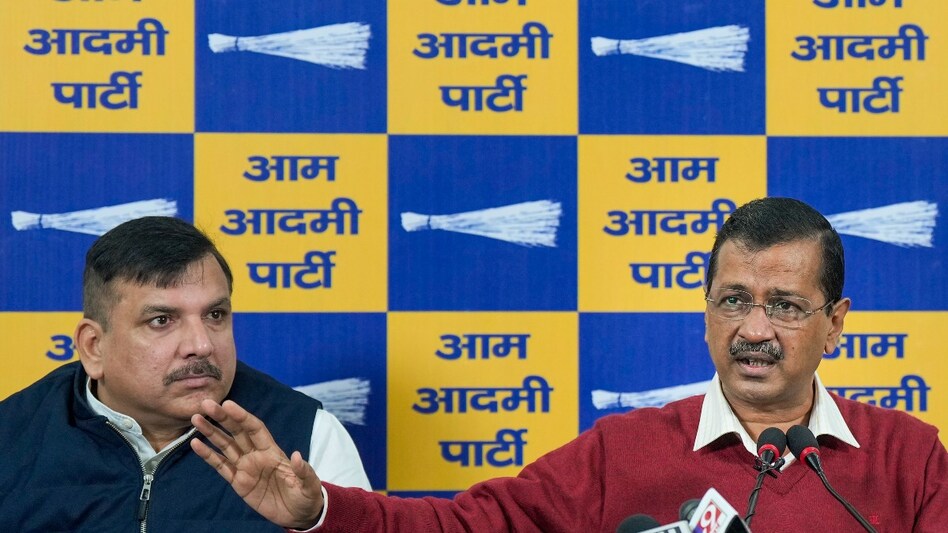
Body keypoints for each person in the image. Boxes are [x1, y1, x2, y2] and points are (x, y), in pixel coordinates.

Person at [167, 199, 948, 530]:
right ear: (705, 310)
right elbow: (468, 524)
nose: (752, 328)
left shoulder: (910, 457)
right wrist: (322, 511)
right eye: (731, 299)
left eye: (783, 304)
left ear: (835, 322)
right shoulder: (623, 453)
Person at [0, 216, 371, 531]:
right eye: (162, 320)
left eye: (215, 315)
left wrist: (313, 521)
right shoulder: (11, 437)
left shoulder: (306, 435)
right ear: (94, 347)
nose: (202, 344)